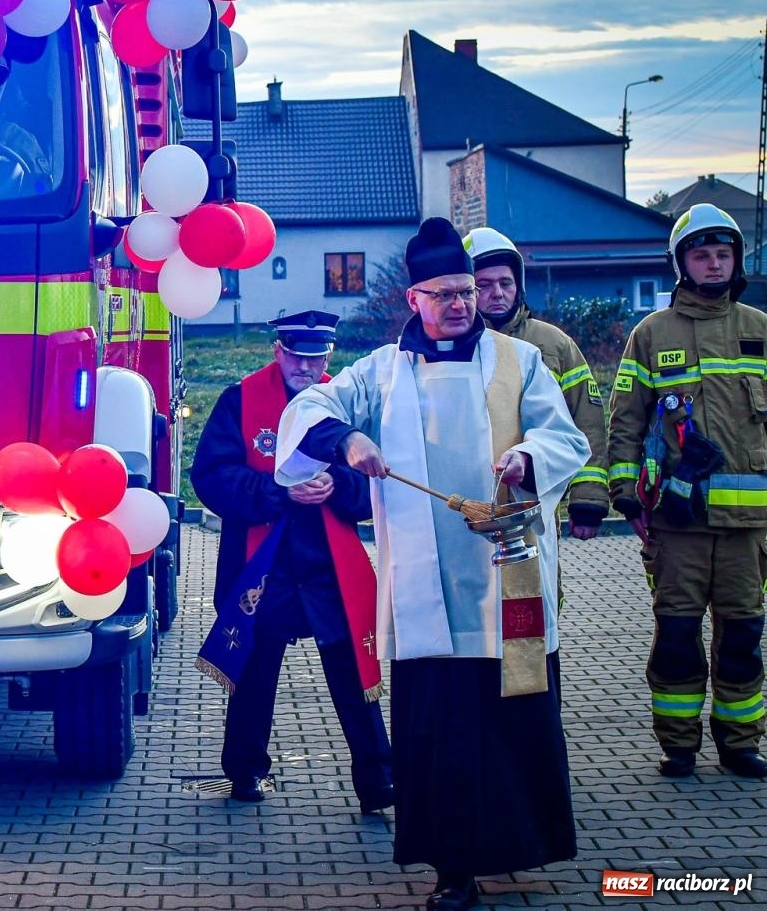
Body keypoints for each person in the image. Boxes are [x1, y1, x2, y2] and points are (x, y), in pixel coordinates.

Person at [274, 218, 588, 911]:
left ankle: (512, 846)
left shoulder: (516, 361)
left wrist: (530, 457)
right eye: (443, 293)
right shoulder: (382, 371)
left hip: (505, 578)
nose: (460, 304)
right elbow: (311, 406)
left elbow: (563, 435)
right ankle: (453, 869)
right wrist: (348, 436)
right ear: (413, 299)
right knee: (441, 734)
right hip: (426, 592)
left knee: (508, 726)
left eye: (467, 291)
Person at [191, 310, 393, 813]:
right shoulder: (239, 400)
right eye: (297, 357)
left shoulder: (346, 406)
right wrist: (278, 490)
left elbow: (378, 481)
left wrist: (338, 486)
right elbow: (211, 476)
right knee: (254, 675)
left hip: (330, 566)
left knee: (355, 675)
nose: (306, 368)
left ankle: (378, 780)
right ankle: (243, 772)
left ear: (330, 356)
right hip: (264, 563)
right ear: (277, 352)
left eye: (317, 358)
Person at [607, 202, 767, 780]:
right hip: (679, 524)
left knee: (743, 637)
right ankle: (678, 744)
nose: (714, 263)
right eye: (701, 254)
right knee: (676, 636)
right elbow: (625, 419)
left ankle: (739, 743)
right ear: (681, 263)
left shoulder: (759, 330)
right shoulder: (652, 335)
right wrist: (624, 489)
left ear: (735, 261)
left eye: (723, 253)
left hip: (750, 531)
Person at [465, 227, 609, 541]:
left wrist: (588, 500)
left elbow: (587, 423)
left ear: (520, 285)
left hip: (536, 496)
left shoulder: (553, 345)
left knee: (539, 586)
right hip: (467, 501)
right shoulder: (455, 348)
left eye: (506, 283)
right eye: (483, 285)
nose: (498, 293)